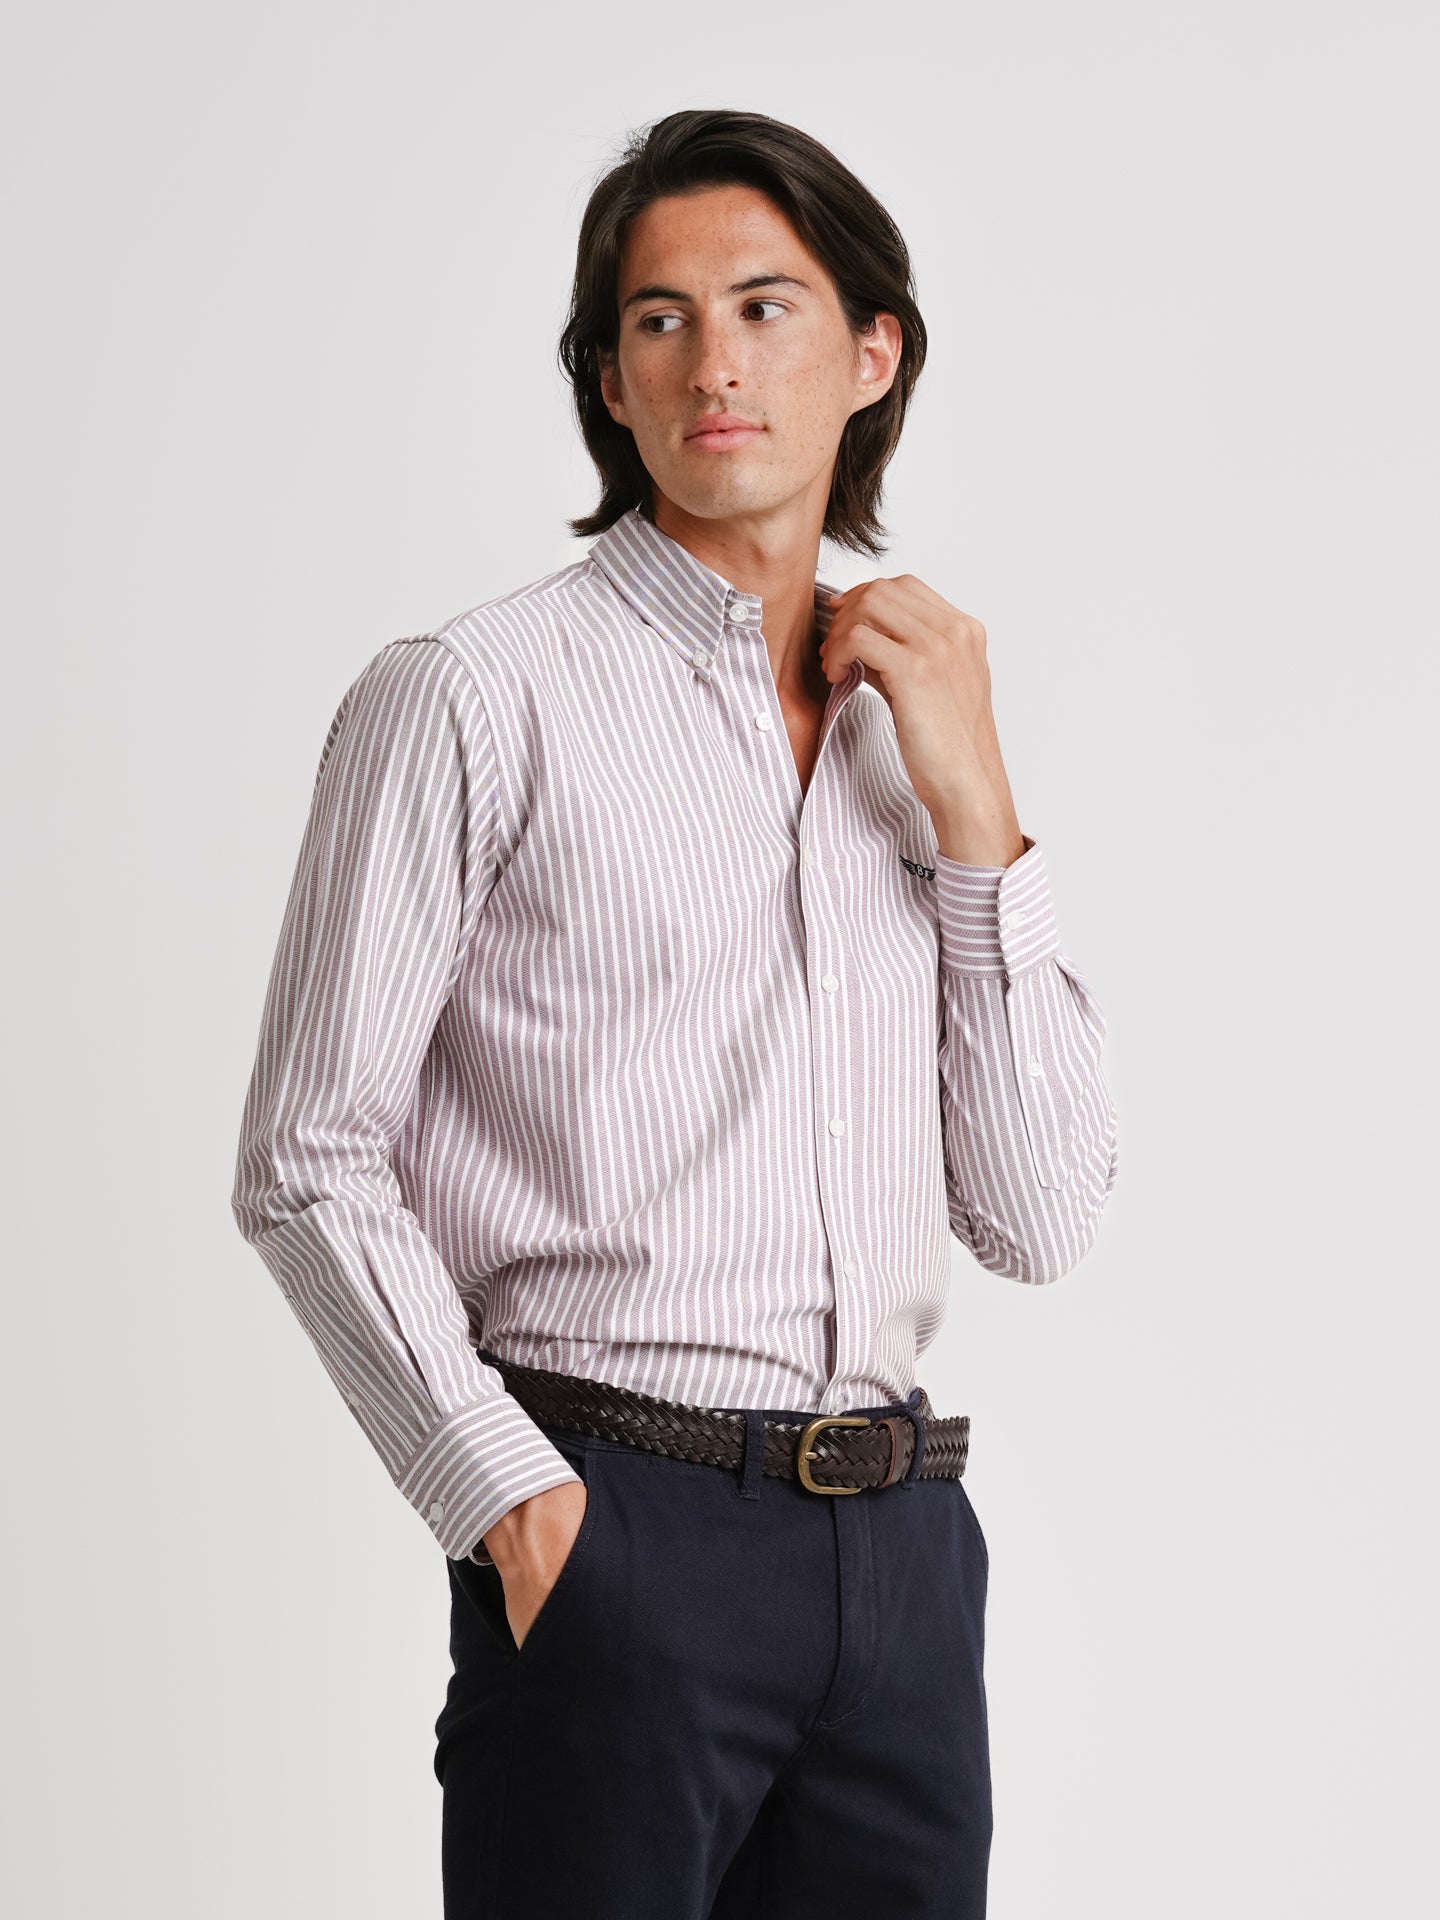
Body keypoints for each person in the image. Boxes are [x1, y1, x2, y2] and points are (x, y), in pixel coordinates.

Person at [231, 106, 1118, 1920]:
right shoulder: (471, 696)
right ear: (610, 382)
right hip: (620, 1529)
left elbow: (1040, 1215)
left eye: (766, 308)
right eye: (659, 319)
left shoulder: (913, 731)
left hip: (905, 1563)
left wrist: (979, 810)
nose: (715, 363)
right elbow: (308, 1155)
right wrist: (513, 1502)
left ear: (873, 355)